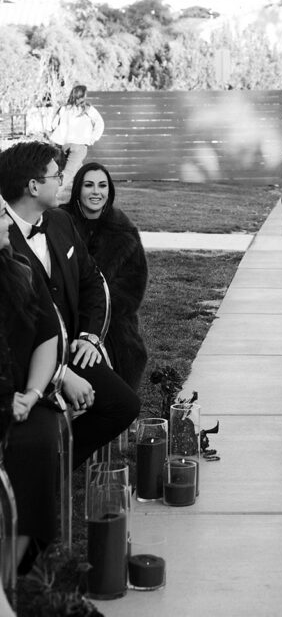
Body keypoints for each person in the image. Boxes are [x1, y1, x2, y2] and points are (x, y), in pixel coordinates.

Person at [0, 141, 140, 469]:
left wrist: (91, 336)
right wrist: (59, 373)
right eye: (56, 175)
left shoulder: (61, 222)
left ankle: (60, 464)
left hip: (76, 348)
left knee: (125, 406)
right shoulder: (3, 240)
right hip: (26, 366)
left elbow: (92, 281)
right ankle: (43, 466)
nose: (63, 180)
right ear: (33, 186)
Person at [0, 193, 60, 570]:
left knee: (39, 440)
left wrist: (34, 393)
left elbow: (47, 338)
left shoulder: (20, 270)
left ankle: (8, 572)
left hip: (22, 401)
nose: (7, 223)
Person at [62, 162, 148, 392]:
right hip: (64, 315)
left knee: (120, 365)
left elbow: (133, 289)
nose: (96, 192)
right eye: (88, 185)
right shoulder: (58, 221)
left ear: (109, 190)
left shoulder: (124, 232)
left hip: (113, 320)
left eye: (102, 185)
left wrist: (98, 311)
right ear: (78, 189)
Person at [50, 85, 105, 201]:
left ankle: (80, 198)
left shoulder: (64, 108)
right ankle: (52, 195)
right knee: (69, 172)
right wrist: (92, 138)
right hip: (79, 146)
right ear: (83, 95)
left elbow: (53, 125)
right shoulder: (88, 109)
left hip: (65, 145)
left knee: (80, 172)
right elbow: (100, 123)